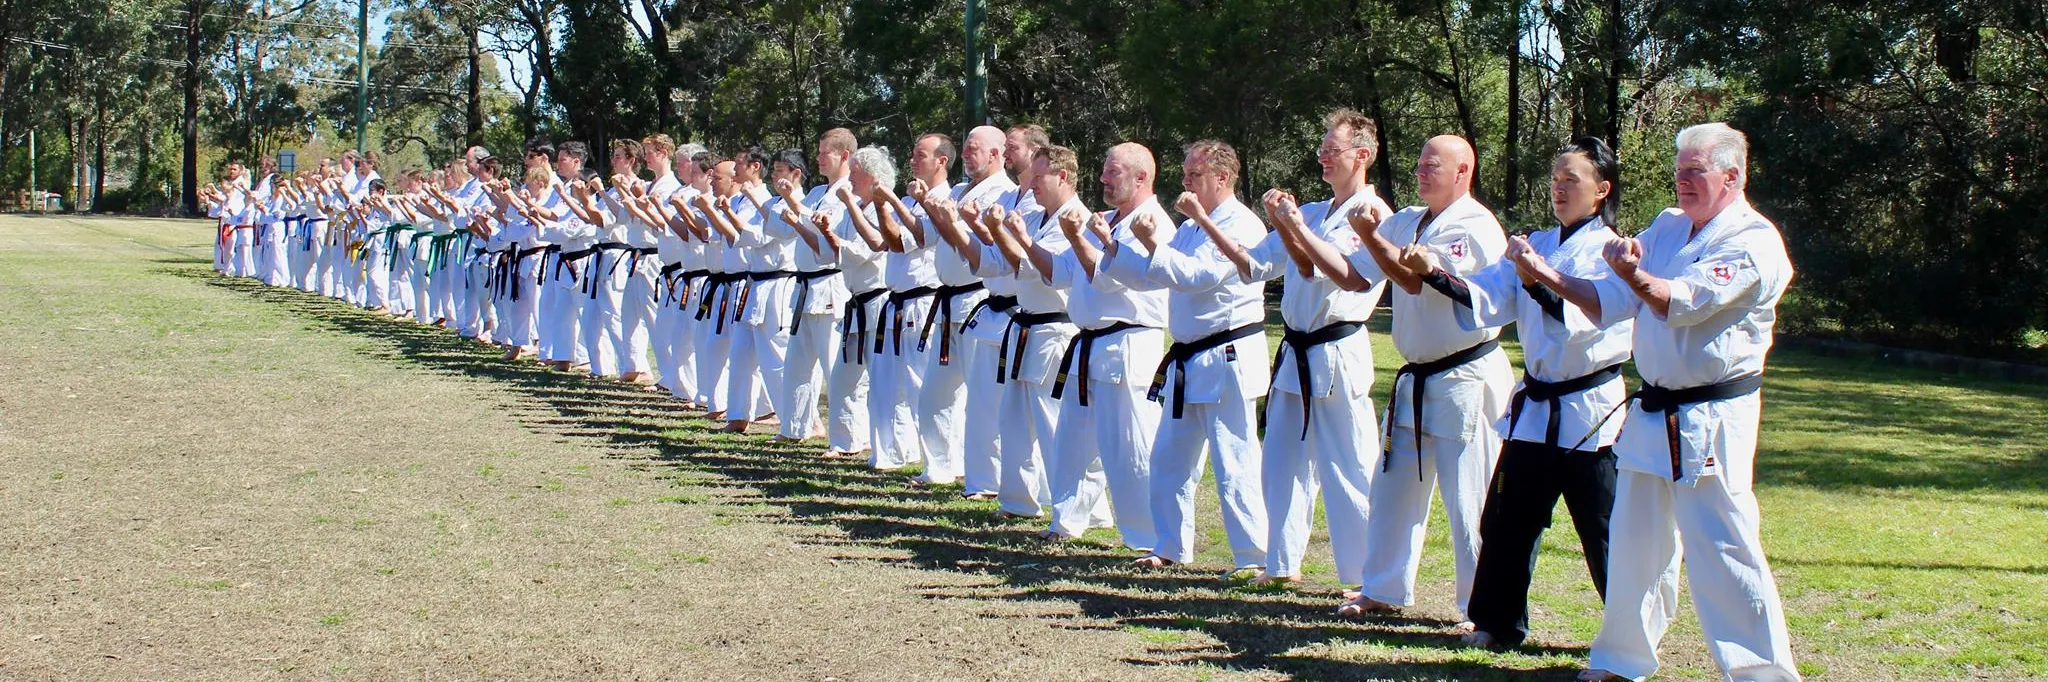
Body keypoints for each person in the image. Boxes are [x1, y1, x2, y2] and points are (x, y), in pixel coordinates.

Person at [1515, 123, 1801, 682]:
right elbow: (1609, 300)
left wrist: (1631, 272)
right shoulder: (1670, 227)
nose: (1683, 182)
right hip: (1652, 410)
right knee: (1634, 544)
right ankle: (1621, 659)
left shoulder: (1753, 240)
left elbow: (1680, 303)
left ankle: (1762, 674)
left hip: (1712, 416)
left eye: (1695, 171)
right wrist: (1544, 273)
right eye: (1679, 171)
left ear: (1732, 175)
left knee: (1724, 548)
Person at [1405, 136, 1633, 650]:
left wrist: (1534, 279)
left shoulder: (1611, 253)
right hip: (1535, 407)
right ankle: (1498, 623)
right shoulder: (1541, 244)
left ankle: (1629, 633)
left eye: (1571, 180)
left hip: (1589, 411)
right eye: (1555, 179)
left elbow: (1585, 318)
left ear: (1602, 190)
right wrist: (1434, 275)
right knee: (1507, 520)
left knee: (1602, 528)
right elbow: (1487, 294)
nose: (1559, 189)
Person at [1284, 134, 1514, 626]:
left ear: (1463, 171)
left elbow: (1416, 279)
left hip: (1465, 373)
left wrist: (1370, 236)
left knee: (1468, 496)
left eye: (1434, 164)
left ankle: (1478, 604)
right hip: (1416, 377)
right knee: (1392, 487)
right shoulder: (1406, 219)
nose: (1421, 170)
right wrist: (1304, 233)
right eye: (1419, 163)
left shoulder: (1475, 226)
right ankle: (1384, 587)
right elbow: (1355, 278)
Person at [1098, 140, 1270, 576]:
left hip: (1228, 355)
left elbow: (1199, 277)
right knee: (1169, 460)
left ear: (1222, 178)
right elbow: (1159, 277)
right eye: (1187, 172)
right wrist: (1117, 250)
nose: (1186, 181)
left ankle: (1253, 558)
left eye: (1195, 174)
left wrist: (1155, 244)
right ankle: (1171, 546)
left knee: (1235, 462)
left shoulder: (1240, 225)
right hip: (1189, 360)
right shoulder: (1194, 227)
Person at [1038, 142, 1172, 548]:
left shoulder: (1154, 224)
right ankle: (1066, 521)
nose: (1102, 179)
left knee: (1129, 447)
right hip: (1088, 344)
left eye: (1113, 172)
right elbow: (1062, 272)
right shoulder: (1108, 220)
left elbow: (1110, 275)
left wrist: (1079, 238)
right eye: (1105, 170)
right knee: (1072, 441)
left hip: (1129, 342)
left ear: (1141, 177)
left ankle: (1147, 536)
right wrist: (1016, 237)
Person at [769, 129, 856, 443]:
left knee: (835, 365)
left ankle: (847, 436)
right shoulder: (818, 190)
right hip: (804, 285)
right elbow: (797, 229)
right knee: (797, 362)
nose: (818, 158)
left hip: (831, 284)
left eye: (824, 153)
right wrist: (792, 208)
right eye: (818, 152)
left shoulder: (851, 193)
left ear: (844, 155)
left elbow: (826, 232)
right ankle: (794, 427)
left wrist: (792, 200)